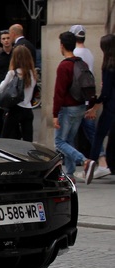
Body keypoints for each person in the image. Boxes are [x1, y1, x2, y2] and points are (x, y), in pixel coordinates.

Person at [53, 31, 97, 184]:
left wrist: (54, 114)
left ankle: (85, 161)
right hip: (80, 107)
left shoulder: (64, 66)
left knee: (59, 142)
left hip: (67, 108)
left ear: (62, 46)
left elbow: (59, 92)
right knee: (69, 139)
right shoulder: (81, 63)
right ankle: (70, 173)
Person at [70, 25, 108, 179]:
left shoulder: (76, 54)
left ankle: (86, 164)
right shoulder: (89, 53)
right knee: (90, 132)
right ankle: (100, 161)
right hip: (87, 98)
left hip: (78, 99)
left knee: (66, 136)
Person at [86, 33, 115, 176]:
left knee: (99, 135)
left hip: (111, 107)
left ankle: (90, 164)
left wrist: (95, 106)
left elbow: (106, 92)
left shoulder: (109, 66)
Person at [0, 45, 37, 141]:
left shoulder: (12, 73)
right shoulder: (32, 74)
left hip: (15, 109)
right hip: (28, 108)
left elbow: (1, 88)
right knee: (28, 139)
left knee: (6, 137)